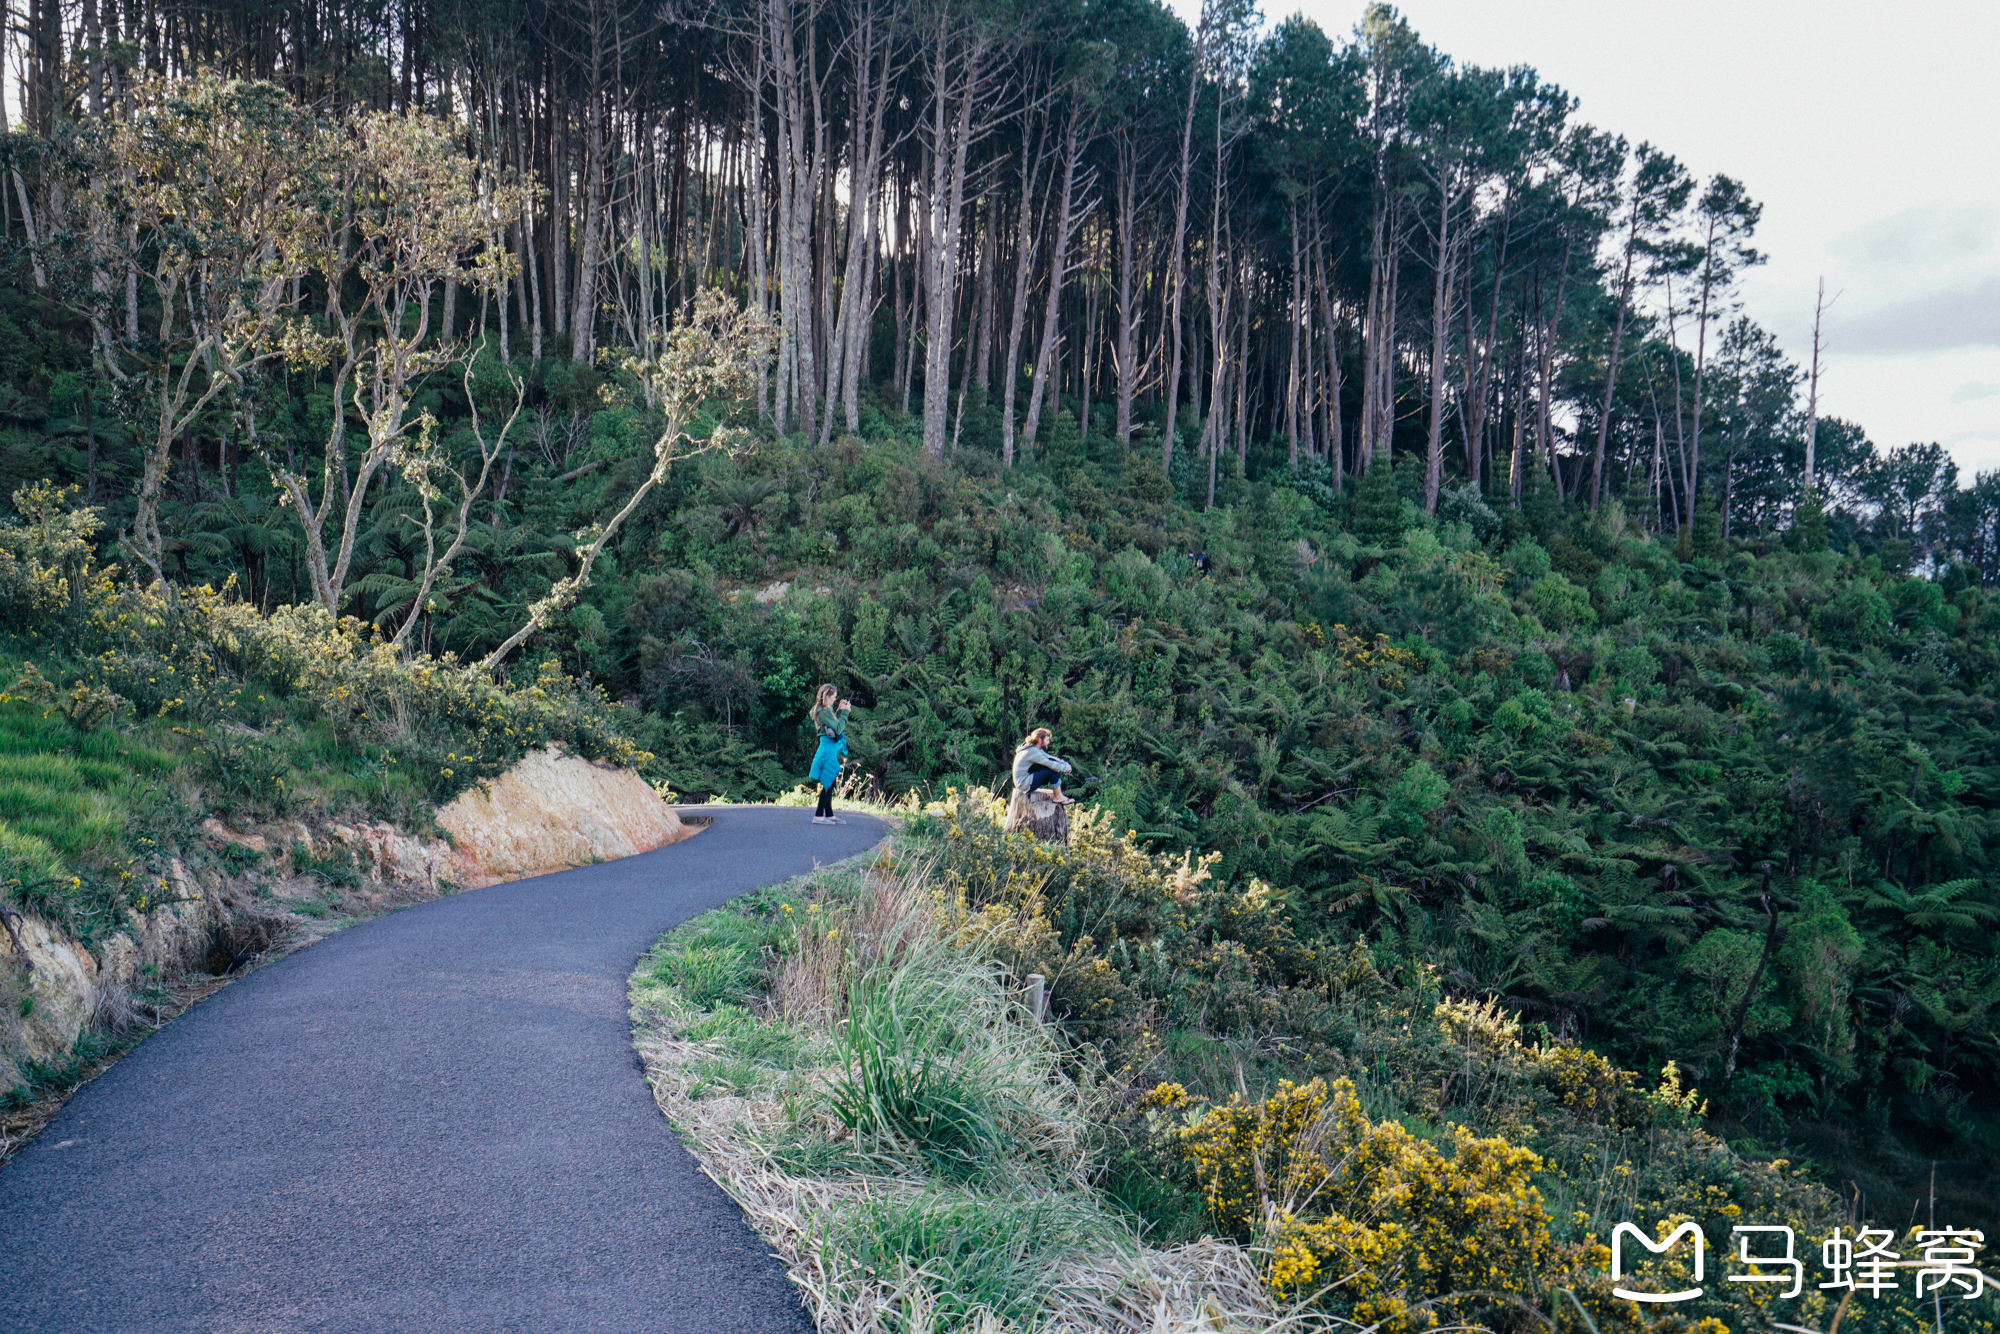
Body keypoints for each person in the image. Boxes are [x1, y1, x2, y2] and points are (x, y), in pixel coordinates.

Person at [807, 684, 851, 824]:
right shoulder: (822, 711)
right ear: (827, 696)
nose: (834, 700)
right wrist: (845, 713)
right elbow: (838, 728)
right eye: (834, 697)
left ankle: (829, 814)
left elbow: (833, 724)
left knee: (830, 781)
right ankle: (819, 815)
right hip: (827, 748)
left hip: (829, 747)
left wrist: (839, 710)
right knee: (828, 780)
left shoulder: (825, 710)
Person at [1011, 727, 1078, 805]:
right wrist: (1065, 769)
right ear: (1040, 740)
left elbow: (1050, 758)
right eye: (1047, 740)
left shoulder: (1034, 748)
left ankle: (1059, 795)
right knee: (1052, 769)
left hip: (1025, 780)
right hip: (1024, 784)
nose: (1048, 742)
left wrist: (1065, 764)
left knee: (1052, 765)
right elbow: (1050, 764)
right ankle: (1058, 797)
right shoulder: (1032, 751)